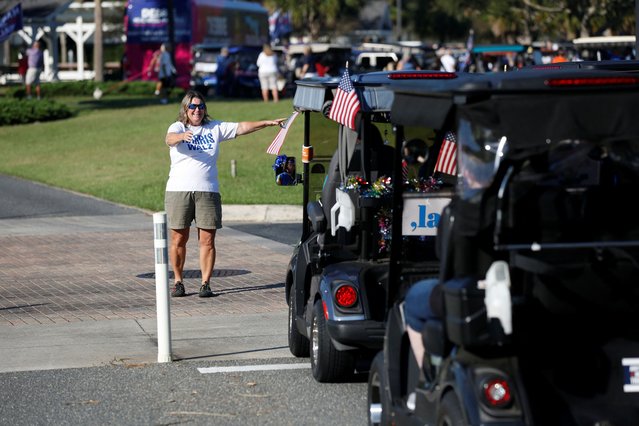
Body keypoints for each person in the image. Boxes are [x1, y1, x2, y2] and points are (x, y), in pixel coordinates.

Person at [164, 90, 286, 298]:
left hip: (208, 191)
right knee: (178, 239)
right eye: (193, 107)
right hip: (179, 190)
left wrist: (267, 123)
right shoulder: (178, 127)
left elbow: (242, 127)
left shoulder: (215, 128)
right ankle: (178, 282)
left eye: (201, 106)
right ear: (185, 109)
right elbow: (169, 139)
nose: (197, 110)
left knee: (208, 240)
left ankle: (205, 283)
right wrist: (181, 136)